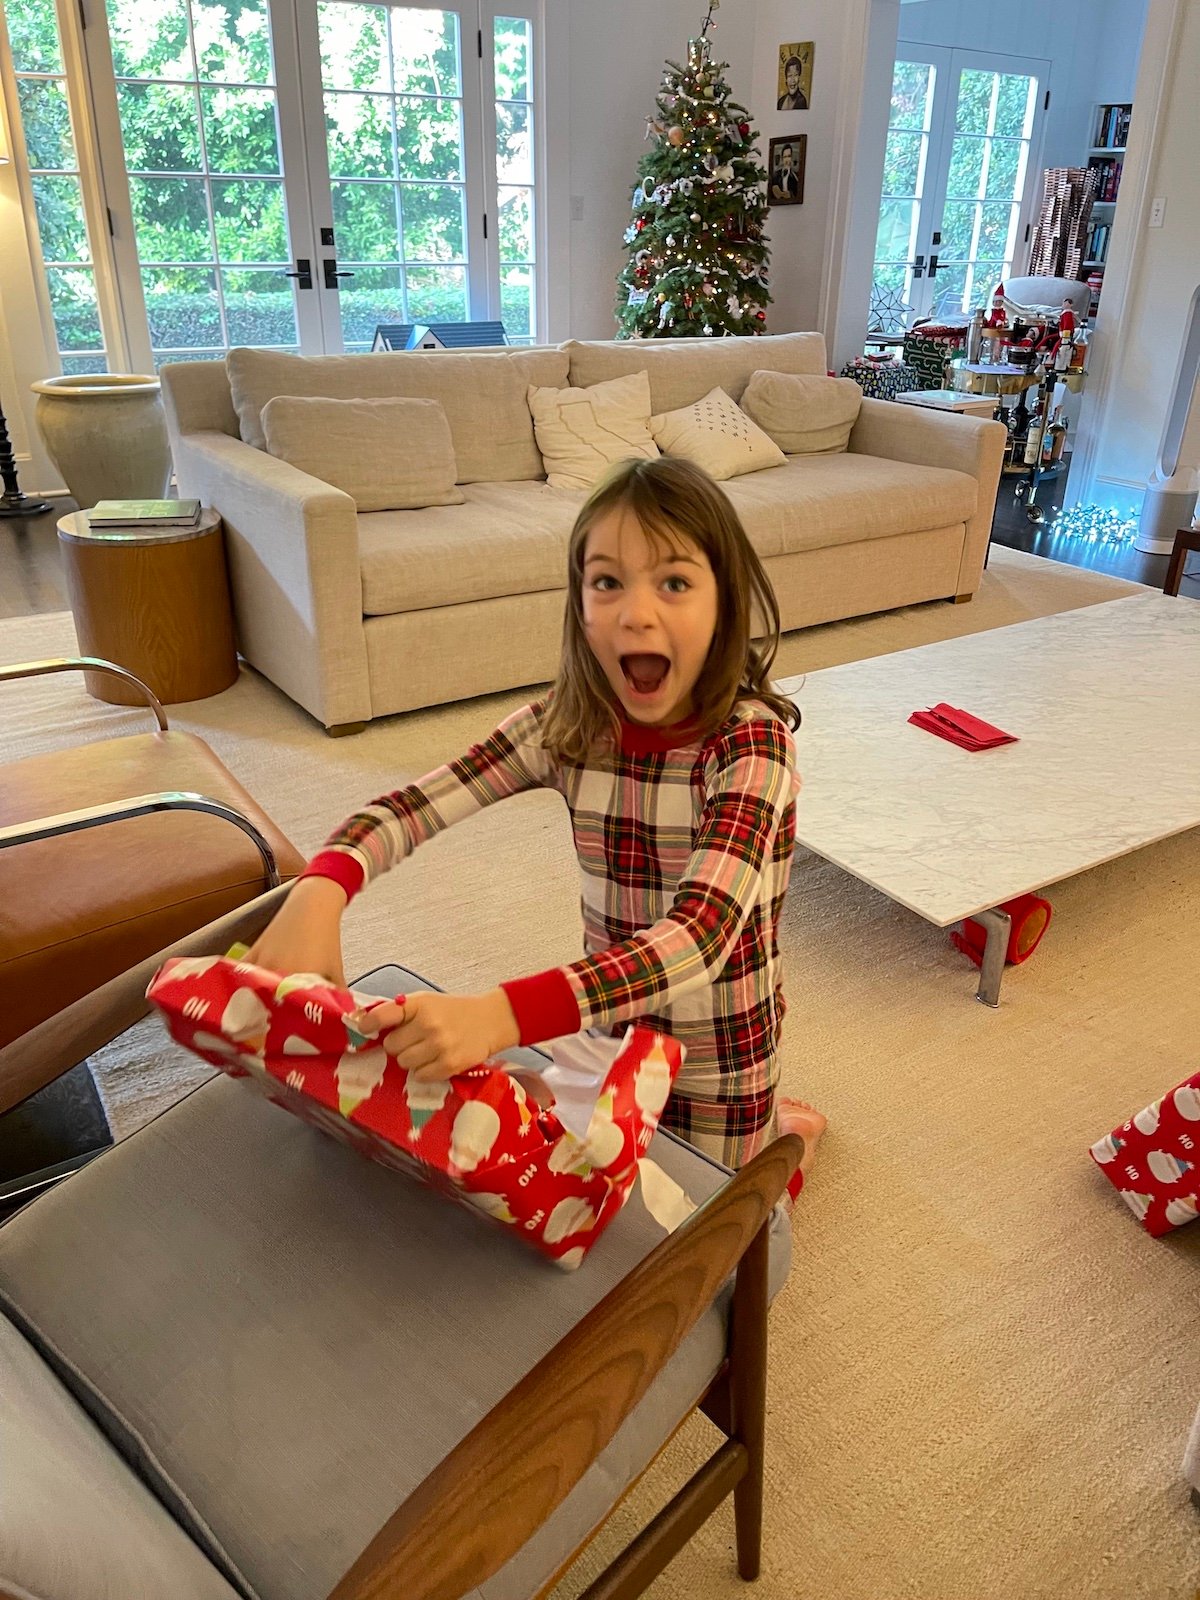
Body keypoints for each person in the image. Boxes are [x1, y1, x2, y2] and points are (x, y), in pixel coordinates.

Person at [247, 456, 826, 1195]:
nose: (636, 613)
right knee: (576, 1196)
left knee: (716, 1245)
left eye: (675, 582)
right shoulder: (565, 728)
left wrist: (501, 1015)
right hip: (610, 1035)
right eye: (607, 581)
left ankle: (788, 1142)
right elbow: (411, 806)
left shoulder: (750, 745)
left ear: (725, 607)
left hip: (724, 1061)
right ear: (580, 604)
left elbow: (701, 936)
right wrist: (320, 889)